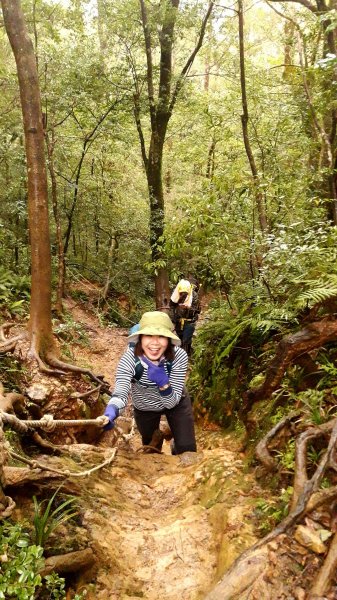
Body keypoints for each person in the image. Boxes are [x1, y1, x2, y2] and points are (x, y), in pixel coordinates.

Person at [103, 311, 197, 455]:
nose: (155, 342)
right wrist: (111, 411)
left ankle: (176, 445)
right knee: (151, 447)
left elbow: (171, 403)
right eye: (148, 336)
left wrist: (163, 383)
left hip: (175, 400)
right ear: (140, 338)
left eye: (161, 336)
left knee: (187, 449)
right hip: (145, 405)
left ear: (168, 340)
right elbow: (121, 393)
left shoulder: (179, 356)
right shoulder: (130, 359)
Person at [169, 276, 201, 355]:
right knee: (180, 339)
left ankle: (184, 357)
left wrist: (188, 308)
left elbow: (197, 310)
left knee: (185, 340)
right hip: (178, 321)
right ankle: (187, 353)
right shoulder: (176, 294)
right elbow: (172, 306)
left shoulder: (194, 295)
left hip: (189, 321)